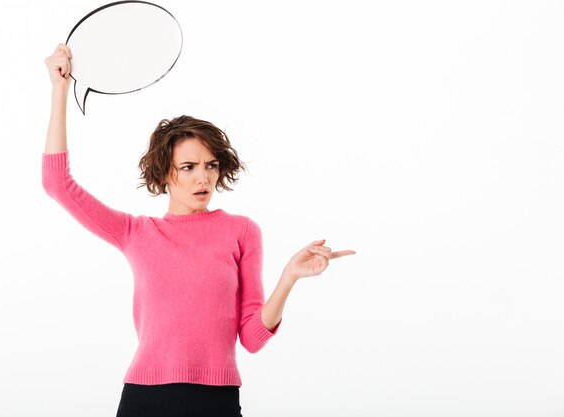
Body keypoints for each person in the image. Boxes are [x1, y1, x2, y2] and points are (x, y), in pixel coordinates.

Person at [42, 43, 356, 417]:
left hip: (216, 400)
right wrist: (59, 91)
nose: (202, 177)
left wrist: (289, 276)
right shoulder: (136, 233)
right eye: (188, 166)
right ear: (165, 173)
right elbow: (57, 183)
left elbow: (253, 338)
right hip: (145, 398)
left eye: (210, 165)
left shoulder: (241, 231)